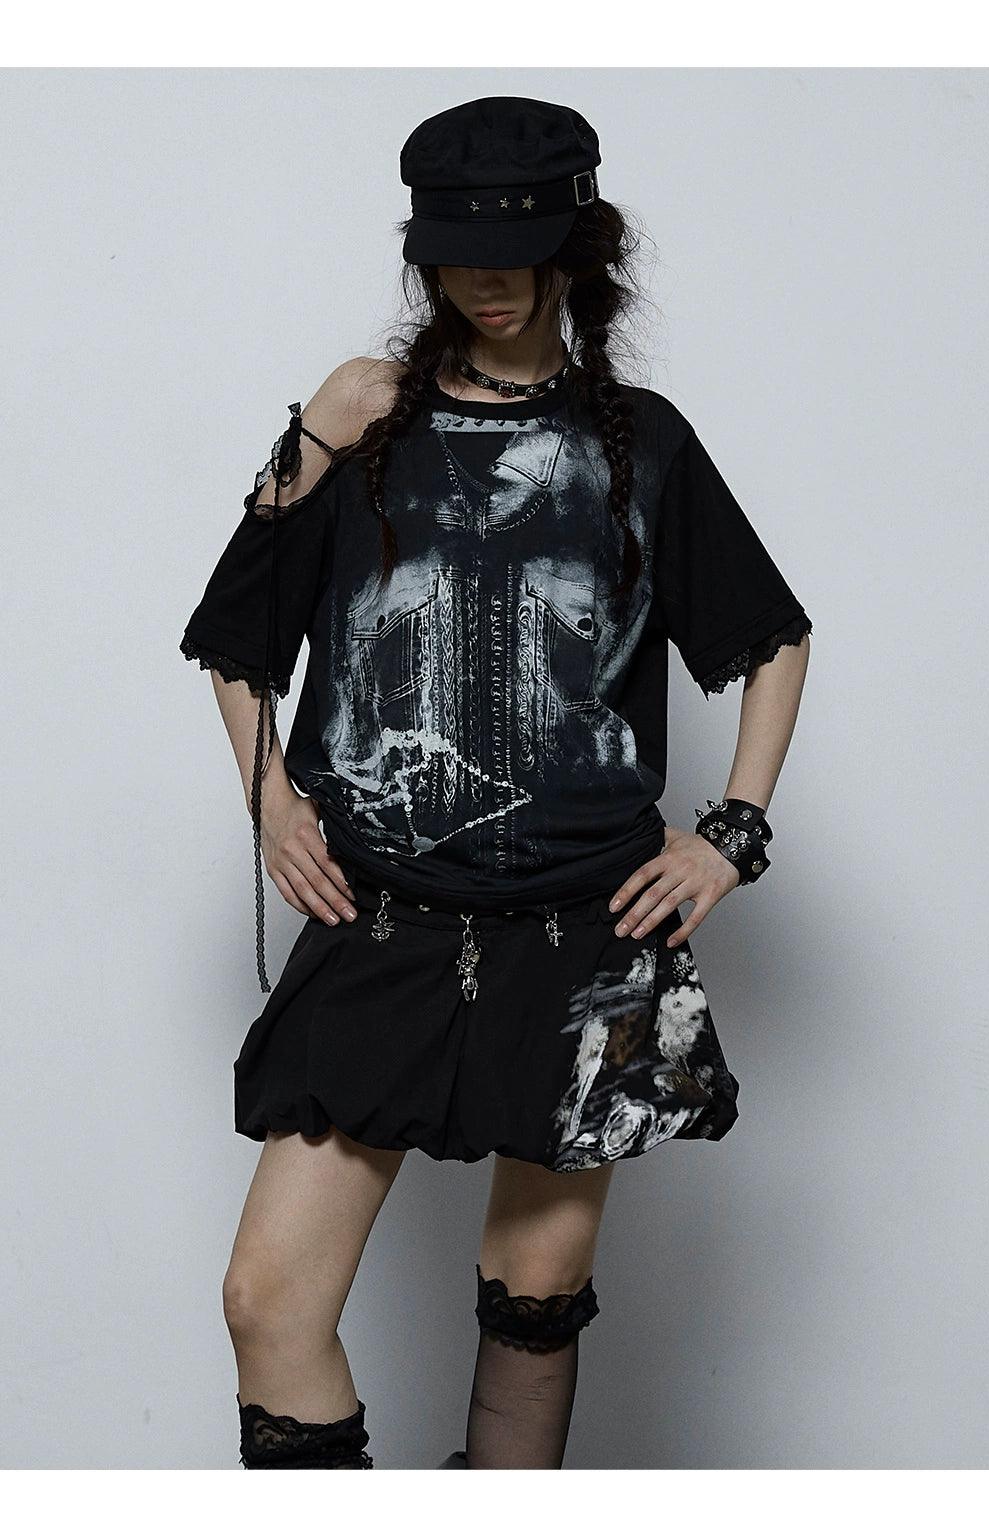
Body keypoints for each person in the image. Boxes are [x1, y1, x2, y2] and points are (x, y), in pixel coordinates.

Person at [179, 95, 812, 1471]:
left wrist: (731, 835)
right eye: (460, 247)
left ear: (579, 250)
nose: (490, 276)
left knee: (534, 1299)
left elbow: (772, 639)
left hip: (593, 931)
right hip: (384, 922)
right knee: (269, 1303)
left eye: (520, 247)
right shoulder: (359, 422)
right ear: (425, 254)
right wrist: (272, 799)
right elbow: (236, 633)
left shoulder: (643, 439)